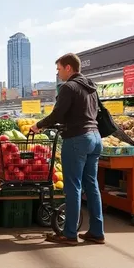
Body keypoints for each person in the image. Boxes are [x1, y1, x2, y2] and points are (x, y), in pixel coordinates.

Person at [30, 53, 105, 246]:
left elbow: (58, 113)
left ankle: (69, 233)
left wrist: (39, 125)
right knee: (92, 186)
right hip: (95, 138)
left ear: (69, 68)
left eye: (59, 69)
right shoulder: (91, 88)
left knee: (73, 186)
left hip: (77, 139)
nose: (58, 73)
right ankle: (97, 231)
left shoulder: (68, 87)